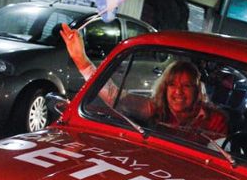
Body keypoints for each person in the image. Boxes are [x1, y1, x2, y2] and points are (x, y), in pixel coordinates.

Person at [60, 23, 228, 138]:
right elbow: (114, 96)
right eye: (172, 85)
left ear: (197, 90)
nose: (178, 92)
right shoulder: (156, 108)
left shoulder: (215, 119)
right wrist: (81, 59)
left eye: (186, 86)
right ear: (165, 88)